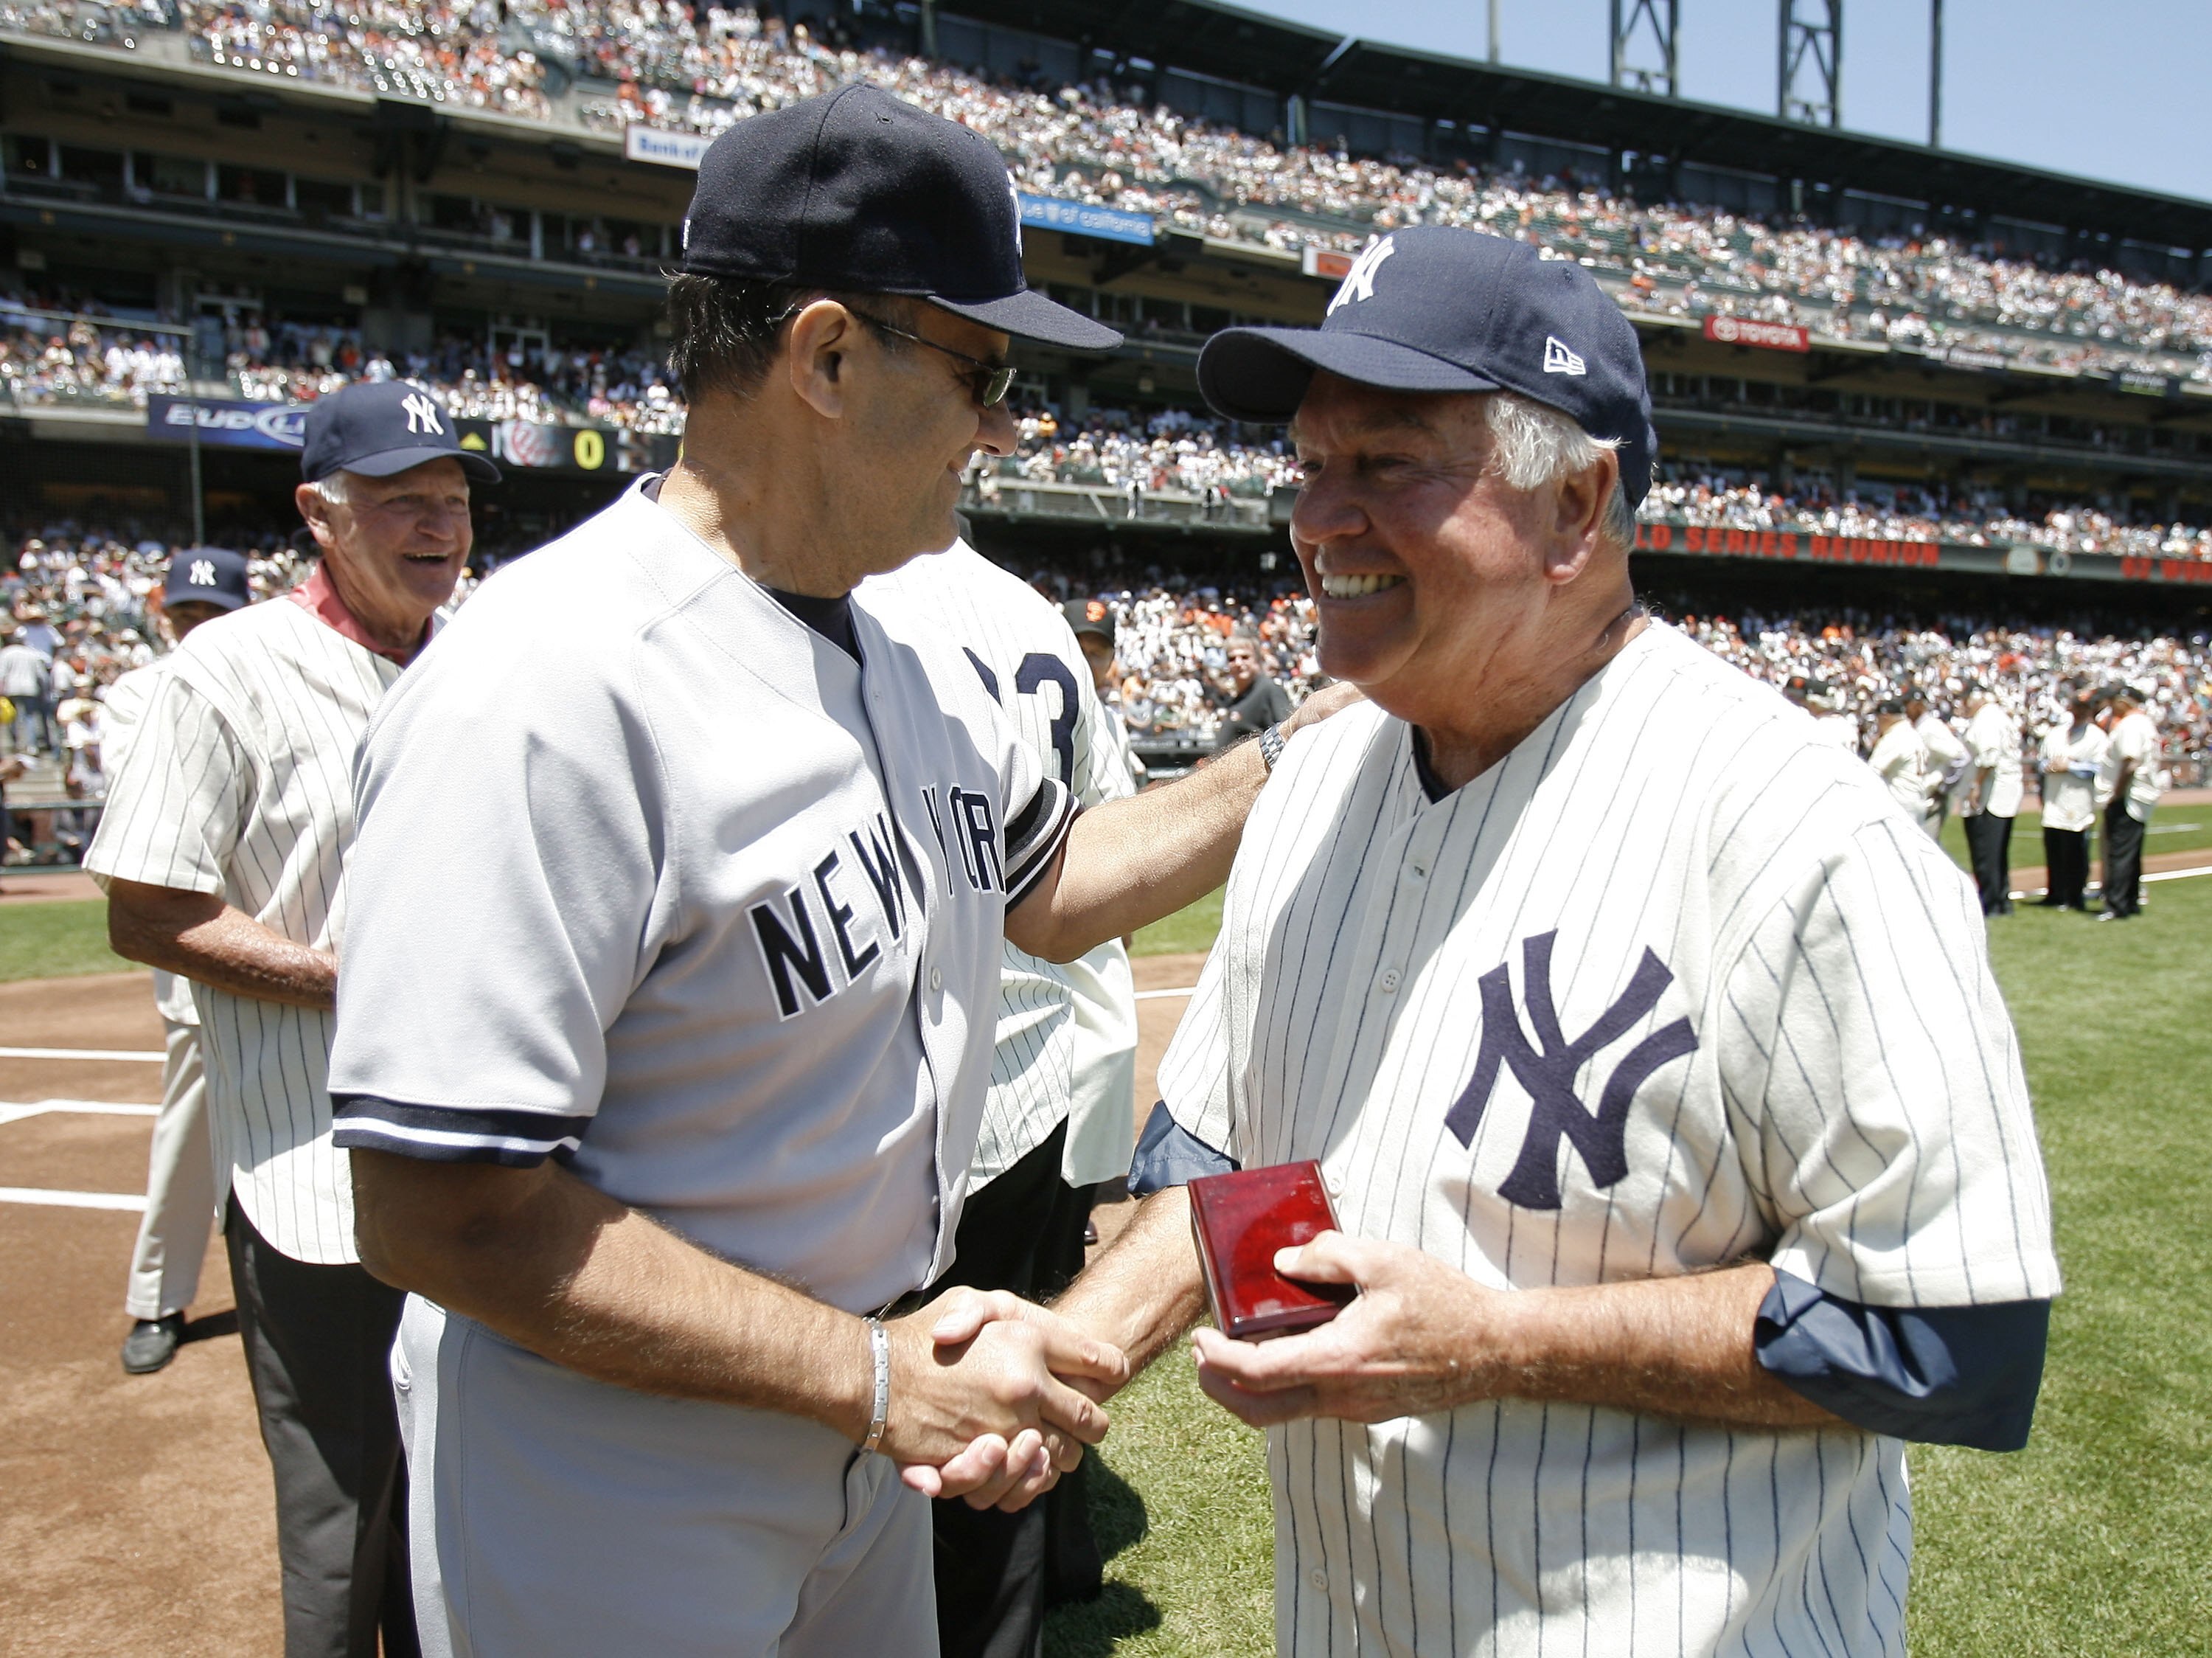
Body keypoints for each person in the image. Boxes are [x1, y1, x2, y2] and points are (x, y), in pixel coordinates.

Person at [322, 88, 1345, 1658]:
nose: (1007, 427)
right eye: (982, 372)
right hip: (612, 1467)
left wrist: (1284, 756)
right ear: (824, 356)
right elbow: (432, 1210)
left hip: (864, 1418)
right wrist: (868, 1377)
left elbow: (1044, 884)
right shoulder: (545, 688)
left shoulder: (899, 646)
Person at [1027, 225, 2056, 1655]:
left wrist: (1493, 1343)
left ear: (1576, 506)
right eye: (1311, 465)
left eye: (1387, 463)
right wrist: (1069, 1355)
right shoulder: (1314, 781)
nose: (1323, 515)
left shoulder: (1799, 826)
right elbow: (1229, 1158)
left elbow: (1954, 1334)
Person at [86, 378, 500, 1657]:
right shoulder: (224, 672)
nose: (435, 525)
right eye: (398, 502)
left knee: (460, 1503)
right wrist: (344, 973)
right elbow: (150, 914)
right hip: (310, 1165)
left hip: (486, 1153)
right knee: (341, 1519)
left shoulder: (487, 647)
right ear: (319, 513)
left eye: (451, 499)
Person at [109, 546, 254, 1376]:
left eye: (215, 615)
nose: (199, 630)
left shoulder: (274, 677)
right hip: (207, 948)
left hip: (304, 931)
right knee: (192, 1126)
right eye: (186, 616)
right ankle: (158, 1298)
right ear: (165, 620)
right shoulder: (140, 695)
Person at [1065, 599, 1147, 797]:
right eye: (1078, 648)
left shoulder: (1114, 723)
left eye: (1097, 653)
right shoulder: (1031, 711)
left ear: (1111, 660)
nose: (1085, 660)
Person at [2037, 680, 2106, 910]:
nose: (2079, 712)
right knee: (2054, 848)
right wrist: (2050, 766)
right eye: (2077, 707)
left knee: (2075, 852)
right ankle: (2055, 893)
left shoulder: (2096, 737)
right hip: (2054, 798)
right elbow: (2041, 761)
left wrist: (2071, 766)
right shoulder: (2056, 733)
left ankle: (2074, 896)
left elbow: (2099, 768)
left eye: (2084, 708)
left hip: (2078, 801)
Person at [2096, 679, 2162, 920]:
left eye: (2112, 702)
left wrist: (2117, 793)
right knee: (2131, 853)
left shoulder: (2131, 725)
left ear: (2122, 702)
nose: (2109, 707)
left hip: (2129, 797)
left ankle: (2116, 904)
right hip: (2140, 796)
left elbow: (2130, 761)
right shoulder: (2143, 722)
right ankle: (2130, 900)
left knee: (2119, 852)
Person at [1960, 682, 2023, 917]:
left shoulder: (1986, 720)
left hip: (1991, 794)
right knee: (1998, 852)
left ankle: (1991, 902)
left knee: (1986, 852)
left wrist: (1976, 785)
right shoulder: (2001, 717)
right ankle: (2001, 899)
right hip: (2005, 790)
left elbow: (1989, 755)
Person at [1212, 626, 1293, 751]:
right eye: (1232, 659)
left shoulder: (1269, 689)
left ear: (1257, 659)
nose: (1238, 663)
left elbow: (1288, 735)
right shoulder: (1235, 700)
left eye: (1245, 657)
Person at [1868, 696, 1936, 830]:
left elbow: (1872, 772)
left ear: (1885, 717)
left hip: (1900, 804)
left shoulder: (1894, 737)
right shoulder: (1912, 734)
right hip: (1916, 800)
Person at [1908, 685, 1969, 832]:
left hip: (1932, 800)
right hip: (1921, 798)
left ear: (1918, 705)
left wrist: (1943, 787)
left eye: (1907, 704)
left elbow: (1961, 758)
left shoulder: (1930, 727)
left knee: (1926, 848)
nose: (1905, 710)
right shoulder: (1918, 727)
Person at [0, 625, 52, 755]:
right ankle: (32, 745)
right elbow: (41, 675)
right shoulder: (32, 653)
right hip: (30, 688)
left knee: (13, 717)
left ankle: (16, 743)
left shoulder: (6, 653)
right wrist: (45, 691)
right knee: (30, 717)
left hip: (12, 689)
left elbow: (2, 674)